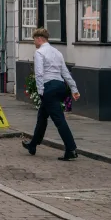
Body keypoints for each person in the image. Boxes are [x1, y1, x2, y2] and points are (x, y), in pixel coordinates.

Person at [22, 27, 81, 161]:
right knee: (42, 117)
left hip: (49, 87)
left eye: (34, 40)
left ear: (39, 39)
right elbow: (65, 72)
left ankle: (71, 149)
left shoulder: (39, 53)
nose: (34, 43)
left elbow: (39, 74)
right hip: (60, 86)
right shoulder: (57, 52)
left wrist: (40, 92)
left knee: (59, 119)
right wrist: (74, 89)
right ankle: (33, 145)